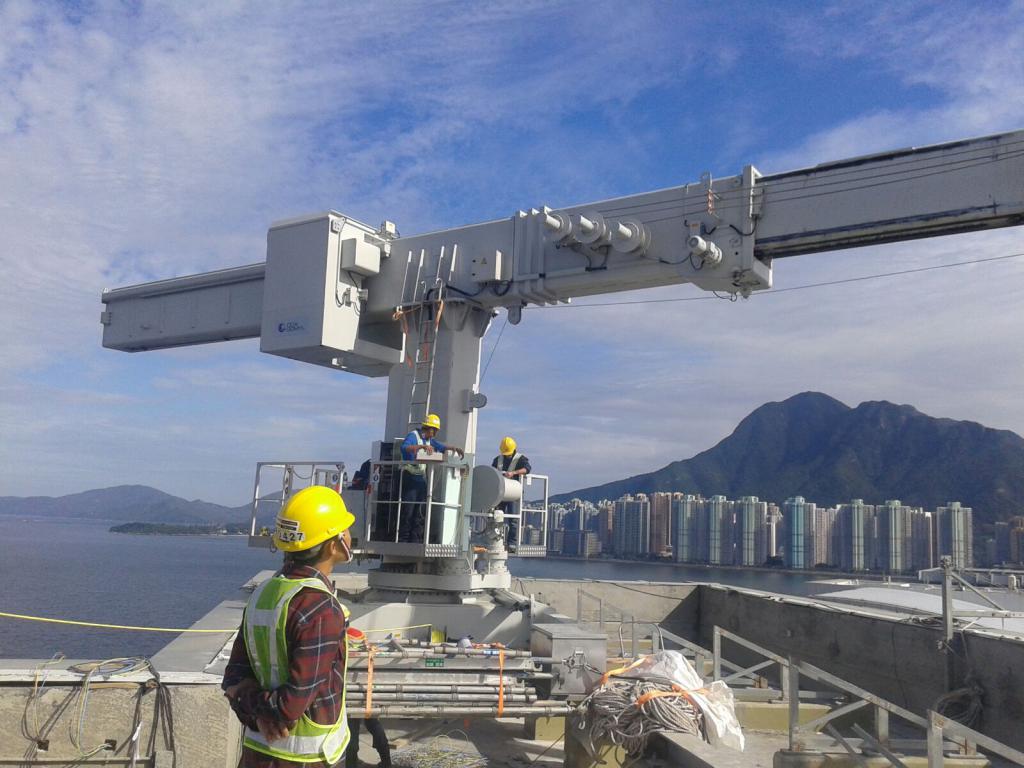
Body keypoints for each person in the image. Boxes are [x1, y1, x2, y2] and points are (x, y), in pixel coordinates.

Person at [223, 486, 356, 767]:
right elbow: (289, 706)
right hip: (308, 759)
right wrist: (268, 711)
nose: (349, 534)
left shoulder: (263, 594)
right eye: (344, 529)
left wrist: (253, 709)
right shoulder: (321, 608)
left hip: (257, 753)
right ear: (333, 545)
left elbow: (234, 678)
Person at [399, 413, 464, 543]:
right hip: (410, 477)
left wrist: (454, 448)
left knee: (419, 511)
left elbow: (440, 447)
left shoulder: (428, 440)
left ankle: (415, 539)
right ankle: (404, 540)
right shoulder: (414, 436)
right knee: (408, 510)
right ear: (429, 429)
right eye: (434, 431)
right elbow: (404, 447)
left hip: (420, 479)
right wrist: (422, 447)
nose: (434, 434)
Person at [492, 436, 531, 550]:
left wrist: (513, 473)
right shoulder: (498, 459)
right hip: (500, 492)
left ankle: (511, 543)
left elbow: (527, 469)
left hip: (513, 493)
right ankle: (495, 540)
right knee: (496, 517)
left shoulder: (520, 459)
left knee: (513, 520)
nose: (506, 455)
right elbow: (492, 471)